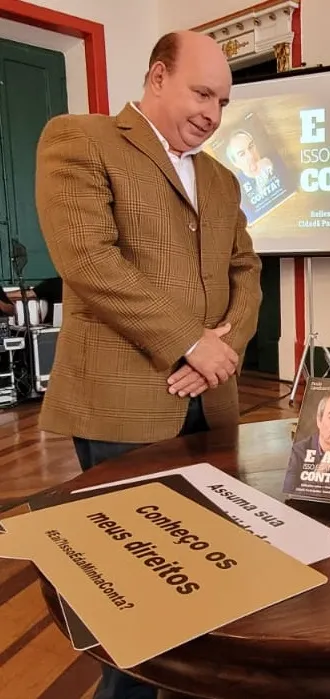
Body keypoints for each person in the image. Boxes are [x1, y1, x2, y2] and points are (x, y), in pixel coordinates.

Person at [33, 30, 262, 699]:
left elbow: (245, 271)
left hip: (211, 399)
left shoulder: (221, 177)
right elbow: (88, 260)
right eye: (201, 92)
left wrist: (222, 346)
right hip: (121, 401)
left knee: (205, 566)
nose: (213, 113)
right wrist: (189, 343)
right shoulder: (80, 139)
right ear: (157, 77)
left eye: (222, 100)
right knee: (133, 588)